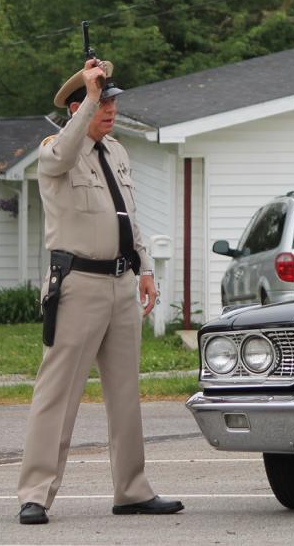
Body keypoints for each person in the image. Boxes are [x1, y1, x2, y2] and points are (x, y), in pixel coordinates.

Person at [16, 58, 184, 525]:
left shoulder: (117, 152)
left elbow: (128, 216)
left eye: (111, 101)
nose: (109, 109)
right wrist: (86, 99)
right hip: (79, 284)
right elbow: (61, 155)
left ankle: (131, 490)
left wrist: (145, 267)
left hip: (120, 282)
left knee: (126, 393)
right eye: (101, 101)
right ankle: (35, 493)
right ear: (78, 107)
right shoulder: (57, 149)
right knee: (59, 392)